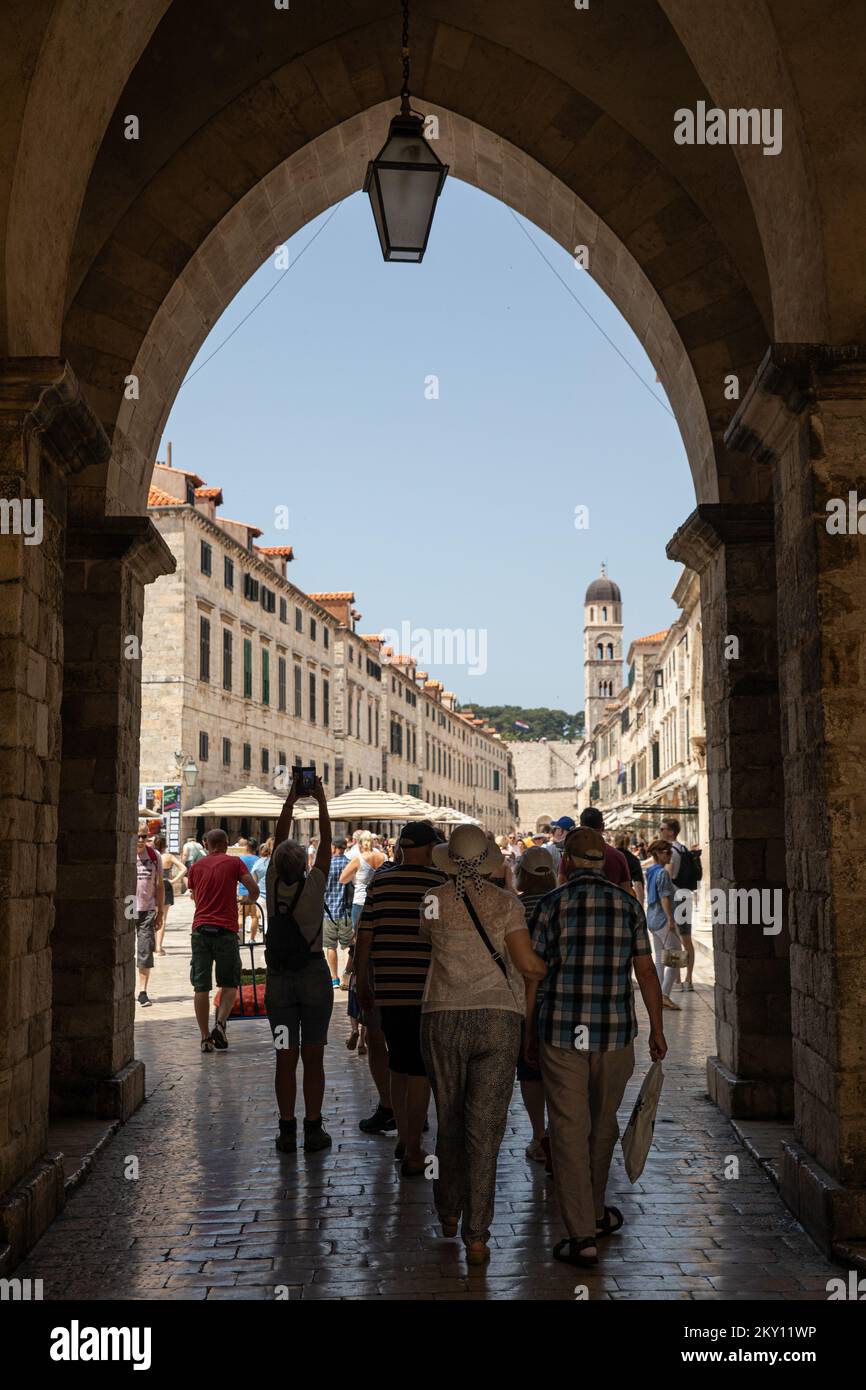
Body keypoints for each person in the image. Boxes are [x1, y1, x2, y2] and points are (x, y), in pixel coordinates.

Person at [525, 826, 667, 1269]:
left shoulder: (551, 904)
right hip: (614, 1033)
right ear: (603, 863)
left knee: (567, 1128)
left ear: (565, 862)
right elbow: (645, 972)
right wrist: (657, 1028)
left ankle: (581, 1232)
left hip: (562, 1032)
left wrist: (528, 1028)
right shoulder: (628, 905)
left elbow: (534, 973)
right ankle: (597, 1209)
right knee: (602, 1126)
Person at [420, 826, 547, 1265]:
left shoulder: (432, 900)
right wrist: (548, 969)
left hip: (440, 1016)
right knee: (485, 1128)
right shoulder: (506, 903)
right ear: (491, 861)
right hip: (497, 1018)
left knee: (449, 1117)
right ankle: (477, 1236)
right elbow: (527, 963)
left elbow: (431, 941)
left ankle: (448, 1212)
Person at [354, 821, 445, 1175]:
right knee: (420, 1067)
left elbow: (365, 936)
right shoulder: (437, 885)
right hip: (427, 990)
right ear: (425, 848)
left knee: (398, 1062)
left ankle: (403, 1137)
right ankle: (413, 1147)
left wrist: (362, 981)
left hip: (389, 988)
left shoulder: (382, 881)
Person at [264, 773, 334, 1153]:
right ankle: (313, 1128)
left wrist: (291, 800)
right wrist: (321, 801)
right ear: (305, 862)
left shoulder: (272, 883)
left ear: (276, 861)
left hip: (278, 981)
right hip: (312, 976)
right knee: (314, 1055)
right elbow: (324, 844)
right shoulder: (315, 884)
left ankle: (286, 1129)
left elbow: (279, 836)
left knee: (284, 1056)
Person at [187, 830, 259, 1052]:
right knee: (229, 983)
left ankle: (205, 1038)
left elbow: (195, 896)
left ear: (206, 844)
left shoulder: (196, 867)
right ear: (226, 844)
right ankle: (220, 1023)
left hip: (200, 930)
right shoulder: (234, 863)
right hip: (226, 931)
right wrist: (246, 899)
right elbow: (254, 890)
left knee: (201, 986)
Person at [512, 846, 557, 1165]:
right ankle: (558, 1133)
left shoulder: (513, 906)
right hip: (559, 999)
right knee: (559, 1070)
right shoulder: (562, 903)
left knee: (529, 1070)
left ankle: (538, 1134)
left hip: (523, 998)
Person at [658, 817, 700, 991]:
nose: (660, 832)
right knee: (686, 938)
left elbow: (668, 875)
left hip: (676, 898)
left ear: (671, 831)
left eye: (662, 829)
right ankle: (687, 979)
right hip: (686, 896)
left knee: (676, 938)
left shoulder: (670, 851)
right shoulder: (682, 847)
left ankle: (676, 980)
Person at [645, 839, 684, 1011]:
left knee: (661, 960)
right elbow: (664, 897)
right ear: (659, 854)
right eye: (667, 852)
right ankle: (664, 995)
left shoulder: (651, 871)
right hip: (662, 919)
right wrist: (670, 919)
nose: (670, 855)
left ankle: (658, 994)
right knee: (677, 958)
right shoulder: (662, 873)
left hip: (652, 919)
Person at [135, 830, 164, 1007]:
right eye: (137, 835)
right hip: (129, 903)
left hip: (147, 907)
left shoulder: (154, 856)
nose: (140, 840)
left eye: (144, 836)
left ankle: (142, 991)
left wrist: (160, 912)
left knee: (145, 949)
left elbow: (159, 884)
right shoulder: (126, 851)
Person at [578, 807, 633, 893]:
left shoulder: (570, 856)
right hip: (612, 905)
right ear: (603, 826)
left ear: (581, 826)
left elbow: (561, 886)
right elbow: (626, 891)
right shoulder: (618, 857)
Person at [339, 832, 385, 934]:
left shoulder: (358, 859)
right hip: (379, 900)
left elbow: (342, 879)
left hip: (361, 900)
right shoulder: (383, 857)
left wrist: (354, 877)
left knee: (359, 935)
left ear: (359, 844)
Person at [324, 836, 352, 987]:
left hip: (329, 912)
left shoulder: (326, 864)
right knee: (347, 946)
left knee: (330, 946)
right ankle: (346, 978)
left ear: (334, 848)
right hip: (346, 913)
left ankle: (334, 978)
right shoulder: (349, 863)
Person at [152, 833, 185, 954]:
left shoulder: (151, 855)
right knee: (163, 918)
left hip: (153, 885)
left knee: (151, 917)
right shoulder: (169, 856)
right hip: (166, 884)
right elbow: (184, 868)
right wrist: (174, 880)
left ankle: (152, 945)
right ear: (165, 844)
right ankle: (159, 948)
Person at [614, 833, 645, 907]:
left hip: (609, 897)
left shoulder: (608, 856)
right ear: (628, 844)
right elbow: (638, 884)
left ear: (615, 842)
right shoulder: (633, 859)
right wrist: (640, 906)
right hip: (627, 897)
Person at [251, 838, 273, 935]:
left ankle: (267, 938)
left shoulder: (258, 863)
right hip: (275, 895)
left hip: (261, 896)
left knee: (265, 917)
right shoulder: (275, 861)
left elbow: (254, 882)